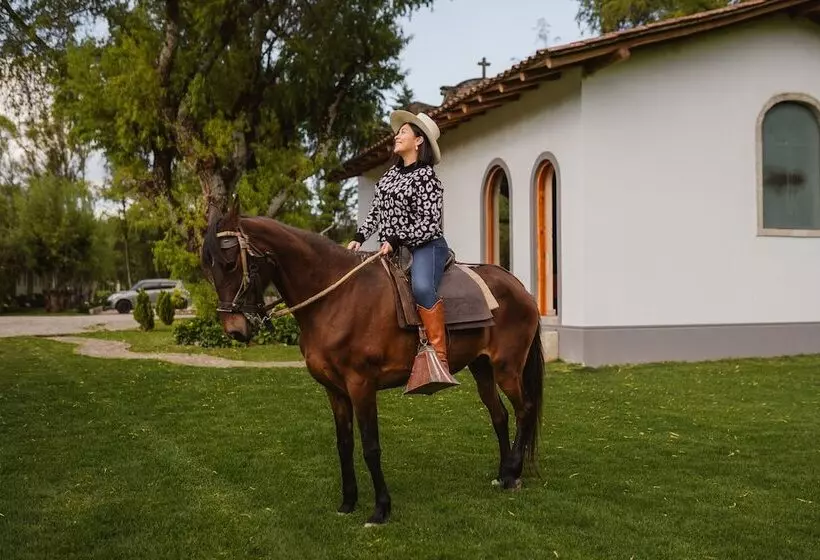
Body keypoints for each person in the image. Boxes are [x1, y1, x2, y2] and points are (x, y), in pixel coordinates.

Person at [347, 111, 458, 394]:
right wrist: (359, 237)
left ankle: (439, 356)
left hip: (426, 246)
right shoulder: (389, 176)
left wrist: (398, 240)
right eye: (398, 133)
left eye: (404, 132)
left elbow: (429, 222)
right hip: (391, 247)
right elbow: (376, 211)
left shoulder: (427, 177)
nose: (397, 135)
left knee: (421, 287)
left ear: (419, 141)